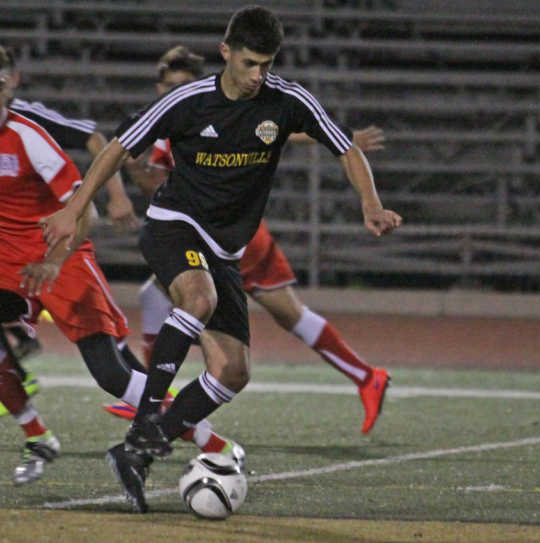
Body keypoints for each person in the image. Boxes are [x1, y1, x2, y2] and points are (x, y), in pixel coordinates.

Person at [40, 5, 402, 514]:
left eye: (267, 64)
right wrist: (74, 208)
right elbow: (119, 148)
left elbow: (345, 148)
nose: (259, 76)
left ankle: (136, 451)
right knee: (199, 296)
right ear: (226, 52)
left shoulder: (287, 100)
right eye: (250, 63)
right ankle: (146, 418)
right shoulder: (189, 101)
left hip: (226, 248)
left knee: (233, 370)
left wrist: (370, 202)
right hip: (173, 224)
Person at [103, 45, 391, 435]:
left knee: (206, 305)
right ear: (159, 87)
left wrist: (342, 138)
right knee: (272, 313)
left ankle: (154, 399)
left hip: (230, 235)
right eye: (169, 84)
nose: (177, 89)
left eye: (184, 83)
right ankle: (366, 376)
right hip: (203, 230)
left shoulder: (209, 111)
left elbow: (273, 129)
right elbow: (118, 151)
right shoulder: (171, 119)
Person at [0, 46, 242, 487]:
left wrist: (55, 261)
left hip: (59, 256)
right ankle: (37, 434)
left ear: (10, 84)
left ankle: (215, 444)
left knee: (112, 372)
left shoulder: (29, 136)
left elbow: (81, 213)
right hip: (5, 264)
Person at [0, 45, 141, 413]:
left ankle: (168, 409)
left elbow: (95, 139)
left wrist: (117, 195)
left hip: (58, 244)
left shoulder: (29, 127)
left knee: (110, 364)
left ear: (10, 83)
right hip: (14, 257)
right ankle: (24, 401)